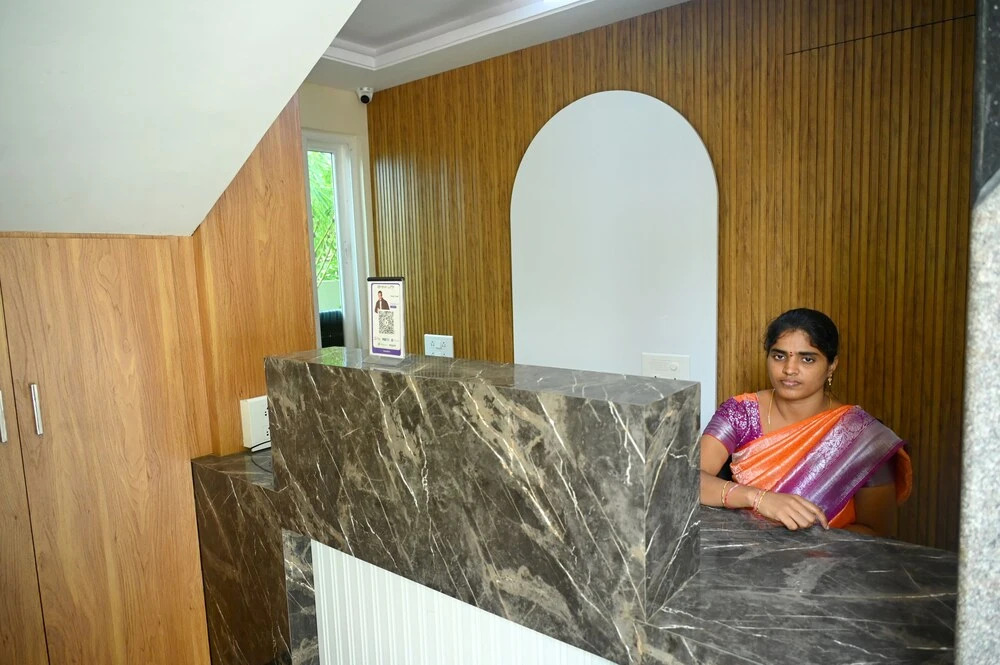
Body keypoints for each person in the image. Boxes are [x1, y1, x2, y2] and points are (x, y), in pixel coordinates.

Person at [699, 308, 911, 537]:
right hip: (744, 549)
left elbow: (879, 534)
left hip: (830, 557)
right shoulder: (740, 413)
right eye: (779, 356)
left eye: (807, 359)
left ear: (831, 365)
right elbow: (688, 480)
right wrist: (759, 498)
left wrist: (805, 544)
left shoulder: (862, 437)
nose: (789, 369)